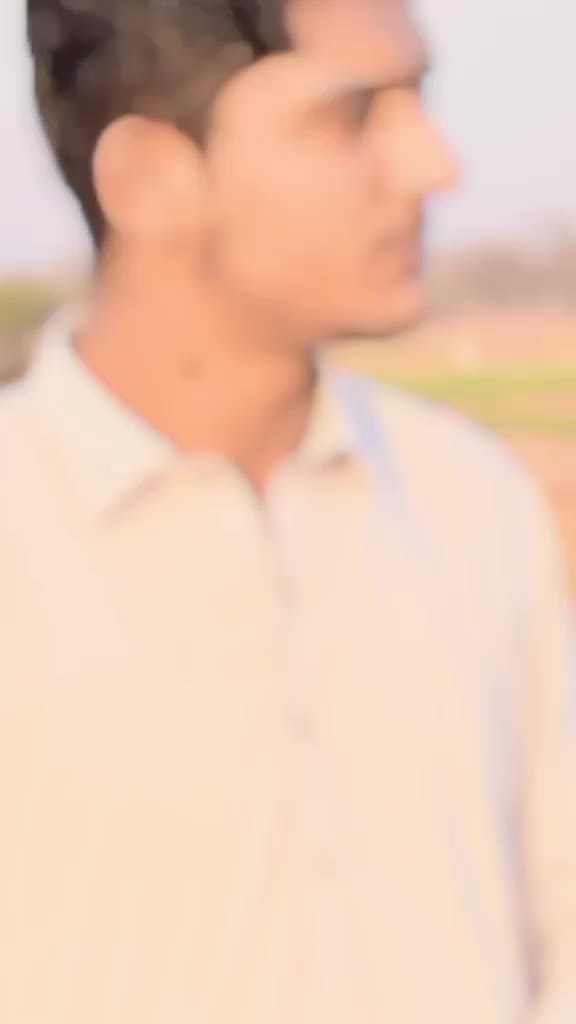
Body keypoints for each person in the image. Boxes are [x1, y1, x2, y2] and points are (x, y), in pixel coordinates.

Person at [0, 0, 574, 1021]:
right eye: (351, 117)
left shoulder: (469, 498)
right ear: (148, 177)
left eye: (419, 103)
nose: (435, 166)